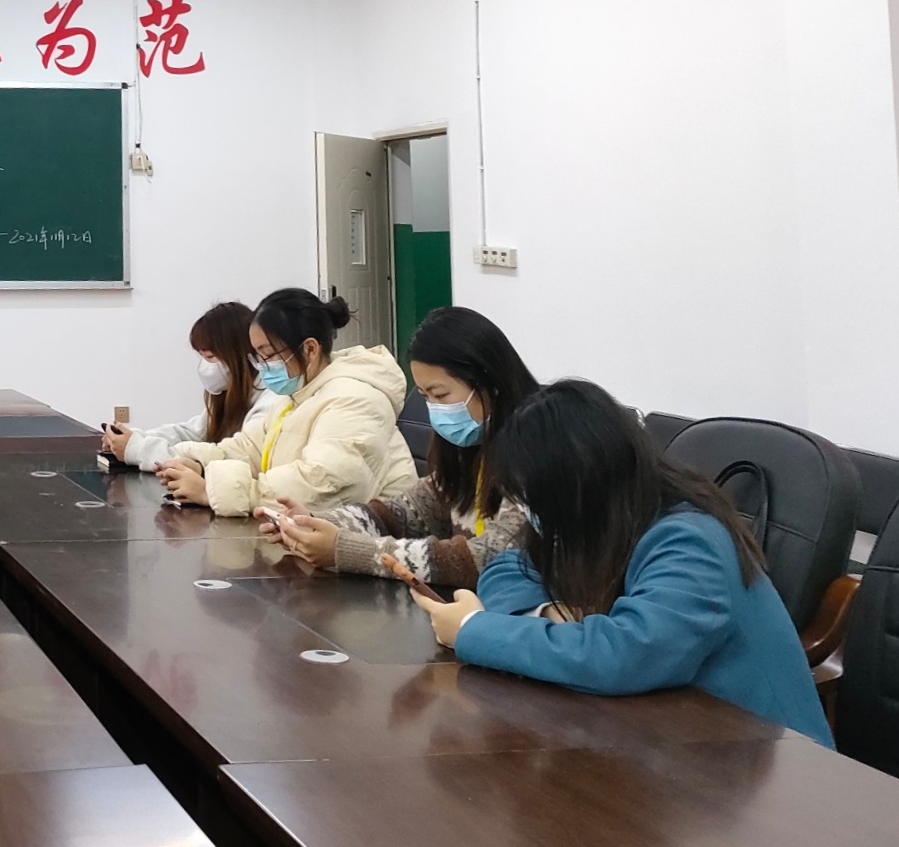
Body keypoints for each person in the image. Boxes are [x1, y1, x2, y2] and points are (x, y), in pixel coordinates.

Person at [409, 379, 832, 745]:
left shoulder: (689, 540)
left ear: (584, 478)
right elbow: (507, 568)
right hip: (668, 739)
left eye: (535, 498)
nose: (532, 514)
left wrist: (474, 629)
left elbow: (625, 655)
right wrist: (549, 613)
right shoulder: (591, 519)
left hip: (768, 764)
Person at [267, 306, 538, 588]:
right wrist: (315, 524)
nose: (434, 409)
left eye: (441, 395)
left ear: (489, 383)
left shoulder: (536, 451)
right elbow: (404, 513)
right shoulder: (470, 448)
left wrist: (345, 550)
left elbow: (488, 559)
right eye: (425, 397)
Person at [157, 289, 416, 517]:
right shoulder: (298, 394)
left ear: (310, 349)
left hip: (372, 541)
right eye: (258, 356)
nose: (262, 366)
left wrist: (210, 490)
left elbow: (321, 486)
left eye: (269, 355)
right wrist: (199, 463)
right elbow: (250, 448)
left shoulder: (355, 398)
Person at [101, 301, 257, 470]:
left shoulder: (266, 404)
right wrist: (133, 438)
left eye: (210, 357)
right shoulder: (229, 396)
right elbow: (190, 433)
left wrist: (137, 449)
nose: (206, 366)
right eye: (202, 357)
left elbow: (223, 460)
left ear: (238, 355)